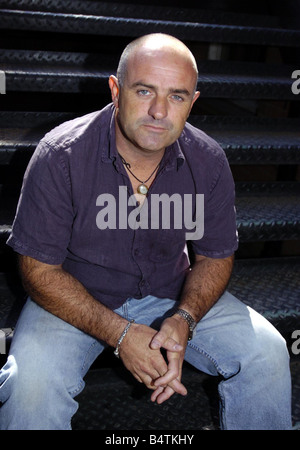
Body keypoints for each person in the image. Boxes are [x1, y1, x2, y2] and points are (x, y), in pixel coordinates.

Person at [0, 33, 292, 430]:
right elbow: (39, 272)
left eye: (176, 96)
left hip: (169, 290)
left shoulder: (207, 161)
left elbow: (215, 257)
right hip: (72, 296)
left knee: (269, 352)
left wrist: (185, 317)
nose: (158, 111)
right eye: (144, 91)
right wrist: (121, 335)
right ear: (115, 90)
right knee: (29, 386)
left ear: (193, 102)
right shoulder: (61, 155)